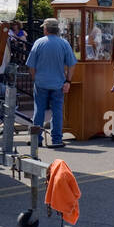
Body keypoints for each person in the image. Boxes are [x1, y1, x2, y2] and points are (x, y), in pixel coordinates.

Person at [26, 17, 77, 148]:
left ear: (46, 29)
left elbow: (31, 65)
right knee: (57, 111)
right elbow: (72, 64)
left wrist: (35, 78)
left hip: (41, 82)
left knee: (39, 111)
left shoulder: (39, 42)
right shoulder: (64, 43)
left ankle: (36, 139)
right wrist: (68, 81)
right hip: (58, 83)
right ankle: (57, 139)